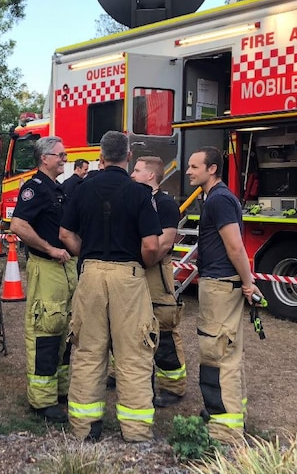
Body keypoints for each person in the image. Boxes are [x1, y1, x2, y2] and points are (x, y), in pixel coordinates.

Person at [59, 130, 162, 443]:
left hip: (90, 275)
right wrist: (138, 266)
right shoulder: (140, 193)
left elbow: (65, 235)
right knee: (133, 355)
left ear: (100, 157)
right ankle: (135, 432)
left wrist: (86, 255)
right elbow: (151, 245)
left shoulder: (81, 188)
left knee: (89, 353)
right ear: (128, 157)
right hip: (128, 277)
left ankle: (85, 429)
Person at [185, 146, 261, 446]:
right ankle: (231, 417)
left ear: (212, 169)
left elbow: (235, 247)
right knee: (226, 352)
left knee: (217, 356)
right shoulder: (214, 198)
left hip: (220, 286)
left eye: (194, 166)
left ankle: (225, 432)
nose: (188, 171)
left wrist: (248, 283)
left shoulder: (219, 200)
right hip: (219, 284)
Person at [10, 137, 77, 424]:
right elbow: (18, 225)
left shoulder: (57, 188)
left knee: (64, 330)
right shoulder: (34, 189)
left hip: (65, 269)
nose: (65, 158)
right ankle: (42, 401)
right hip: (47, 267)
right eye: (60, 154)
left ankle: (59, 391)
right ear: (44, 158)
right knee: (45, 332)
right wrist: (49, 249)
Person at [131, 156, 186, 407]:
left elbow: (163, 244)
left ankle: (172, 386)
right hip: (136, 270)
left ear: (151, 176)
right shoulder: (135, 199)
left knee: (163, 331)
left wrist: (138, 261)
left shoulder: (165, 204)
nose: (132, 174)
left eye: (137, 170)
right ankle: (119, 376)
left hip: (155, 273)